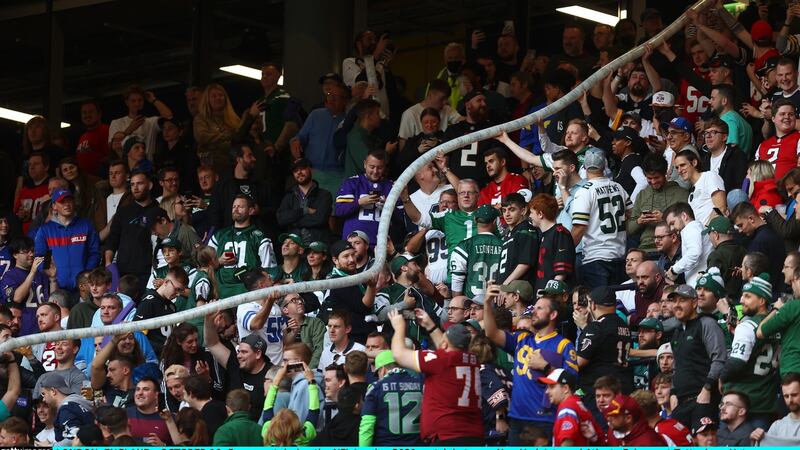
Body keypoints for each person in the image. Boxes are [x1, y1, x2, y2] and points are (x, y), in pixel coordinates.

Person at [482, 281, 577, 443]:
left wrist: (546, 367)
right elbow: (491, 333)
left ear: (552, 315)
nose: (534, 311)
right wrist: (487, 303)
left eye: (540, 308)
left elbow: (572, 382)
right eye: (534, 308)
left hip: (544, 420)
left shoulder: (564, 345)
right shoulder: (522, 339)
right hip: (517, 418)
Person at [388, 309, 483, 445]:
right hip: (473, 435)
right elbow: (447, 351)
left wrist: (399, 328)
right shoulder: (473, 360)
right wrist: (430, 326)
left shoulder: (441, 360)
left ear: (444, 344)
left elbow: (399, 354)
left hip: (448, 437)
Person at [720, 272, 778, 429]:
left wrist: (721, 377)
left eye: (747, 296)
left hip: (739, 403)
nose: (741, 300)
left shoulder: (747, 326)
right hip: (766, 402)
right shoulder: (779, 324)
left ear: (761, 300)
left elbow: (736, 363)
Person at [667, 284, 727, 427]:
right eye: (674, 301)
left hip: (703, 399)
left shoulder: (707, 323)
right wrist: (673, 392)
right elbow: (677, 366)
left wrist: (707, 389)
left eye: (682, 301)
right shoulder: (677, 332)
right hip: (681, 402)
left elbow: (719, 359)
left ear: (694, 303)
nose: (676, 305)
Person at [571, 149, 631, 287]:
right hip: (619, 256)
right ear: (604, 166)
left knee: (600, 305)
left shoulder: (585, 191)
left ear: (585, 167)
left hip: (595, 259)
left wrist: (564, 250)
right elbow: (630, 214)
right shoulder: (618, 187)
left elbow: (579, 227)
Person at [578, 287, 633, 418]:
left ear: (593, 304)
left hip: (599, 392)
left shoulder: (596, 327)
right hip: (623, 388)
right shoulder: (624, 326)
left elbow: (579, 362)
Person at [204, 311, 270, 421]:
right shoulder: (235, 365)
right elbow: (212, 343)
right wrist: (208, 320)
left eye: (244, 352)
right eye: (239, 351)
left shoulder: (271, 374)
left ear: (258, 354)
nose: (239, 355)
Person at [209, 194, 276, 298]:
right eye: (234, 207)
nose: (236, 209)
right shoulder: (220, 235)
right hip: (221, 290)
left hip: (248, 292)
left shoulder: (259, 236)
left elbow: (269, 269)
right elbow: (203, 266)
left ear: (251, 211)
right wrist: (218, 261)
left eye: (240, 207)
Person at [104, 170, 161, 290]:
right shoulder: (123, 212)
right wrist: (108, 263)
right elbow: (112, 239)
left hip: (149, 273)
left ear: (149, 185)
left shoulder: (159, 211)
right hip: (123, 273)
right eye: (132, 184)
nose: (135, 188)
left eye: (139, 183)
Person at [290, 83, 348, 196]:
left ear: (345, 101)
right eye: (329, 95)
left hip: (336, 175)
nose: (331, 99)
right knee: (307, 209)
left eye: (335, 97)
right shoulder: (316, 115)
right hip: (312, 172)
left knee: (332, 210)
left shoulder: (348, 120)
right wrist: (295, 141)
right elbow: (300, 137)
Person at [318, 241, 378, 344]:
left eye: (353, 254)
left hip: (360, 336)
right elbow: (364, 307)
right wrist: (372, 286)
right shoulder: (339, 281)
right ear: (335, 260)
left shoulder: (353, 277)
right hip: (354, 340)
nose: (351, 259)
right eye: (346, 256)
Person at [358, 350, 423, 446]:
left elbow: (367, 426)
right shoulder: (421, 385)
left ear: (383, 369)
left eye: (378, 373)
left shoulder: (375, 388)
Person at [0, 236, 57, 336]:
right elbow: (16, 298)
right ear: (15, 254)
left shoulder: (41, 274)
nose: (31, 254)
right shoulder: (10, 276)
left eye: (32, 251)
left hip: (44, 329)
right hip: (24, 330)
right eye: (26, 251)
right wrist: (32, 272)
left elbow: (52, 301)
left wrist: (52, 279)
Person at [731, 202, 787, 295]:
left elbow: (755, 276)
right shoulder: (772, 232)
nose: (740, 231)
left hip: (766, 295)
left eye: (741, 225)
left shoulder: (759, 242)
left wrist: (746, 271)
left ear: (751, 219)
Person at [539, 368, 604, 446]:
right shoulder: (576, 403)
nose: (547, 391)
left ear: (565, 388)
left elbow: (567, 442)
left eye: (552, 387)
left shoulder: (567, 408)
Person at [107, 85, 173, 161]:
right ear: (127, 102)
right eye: (133, 101)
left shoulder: (151, 122)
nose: (137, 104)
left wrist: (153, 100)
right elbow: (112, 147)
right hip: (126, 167)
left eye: (140, 100)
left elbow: (169, 117)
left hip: (147, 167)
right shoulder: (117, 123)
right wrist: (129, 129)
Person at [261, 361, 320, 446]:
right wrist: (311, 380)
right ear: (296, 425)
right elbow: (314, 410)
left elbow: (267, 408)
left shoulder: (268, 433)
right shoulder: (305, 435)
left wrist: (277, 378)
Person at [276, 159, 333, 245]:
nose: (299, 172)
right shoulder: (288, 197)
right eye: (295, 170)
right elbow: (281, 219)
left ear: (311, 170)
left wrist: (294, 221)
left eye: (302, 168)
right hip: (295, 246)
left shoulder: (325, 195)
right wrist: (304, 211)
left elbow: (320, 219)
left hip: (318, 246)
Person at [133, 266, 189, 355]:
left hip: (167, 357)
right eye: (177, 289)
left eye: (181, 291)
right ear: (166, 282)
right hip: (152, 358)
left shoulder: (172, 306)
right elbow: (137, 335)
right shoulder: (149, 302)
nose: (178, 294)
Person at [450, 205, 502, 297]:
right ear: (494, 222)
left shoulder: (464, 245)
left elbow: (457, 279)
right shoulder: (504, 245)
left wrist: (459, 304)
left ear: (475, 220)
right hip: (496, 304)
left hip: (472, 305)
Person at [528, 193, 575, 290]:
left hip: (555, 297)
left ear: (540, 214)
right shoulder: (542, 236)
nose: (529, 216)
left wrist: (549, 293)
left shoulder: (560, 233)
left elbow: (562, 271)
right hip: (542, 293)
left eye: (531, 212)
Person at [39, 371, 94, 446]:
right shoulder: (76, 402)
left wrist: (51, 447)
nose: (43, 400)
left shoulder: (66, 409)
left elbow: (74, 439)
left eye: (44, 394)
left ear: (53, 391)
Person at [664, 202, 712, 287]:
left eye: (672, 223)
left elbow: (694, 253)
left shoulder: (691, 227)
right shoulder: (695, 227)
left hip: (700, 283)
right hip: (701, 280)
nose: (671, 228)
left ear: (684, 216)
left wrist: (674, 270)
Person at [496, 193, 537, 285]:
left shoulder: (527, 230)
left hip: (518, 289)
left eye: (512, 210)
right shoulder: (507, 234)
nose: (507, 214)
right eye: (504, 210)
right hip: (505, 288)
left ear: (523, 210)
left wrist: (504, 285)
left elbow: (525, 263)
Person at [757, 99, 800, 180]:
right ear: (773, 118)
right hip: (764, 190)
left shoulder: (799, 139)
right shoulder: (763, 145)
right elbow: (754, 174)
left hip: (789, 190)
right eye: (782, 114)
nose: (787, 117)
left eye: (791, 114)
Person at [705, 216, 747, 298]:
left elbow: (711, 285)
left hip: (725, 304)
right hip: (744, 301)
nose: (709, 238)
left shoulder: (716, 255)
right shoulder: (744, 250)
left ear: (716, 235)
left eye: (709, 234)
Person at [126, 377, 170, 444]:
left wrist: (163, 446)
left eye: (146, 389)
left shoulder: (168, 418)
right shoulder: (124, 415)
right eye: (137, 389)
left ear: (156, 395)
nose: (140, 393)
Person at [181, 374, 228, 438]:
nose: (183, 398)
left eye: (184, 393)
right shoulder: (217, 405)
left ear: (191, 394)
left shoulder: (210, 411)